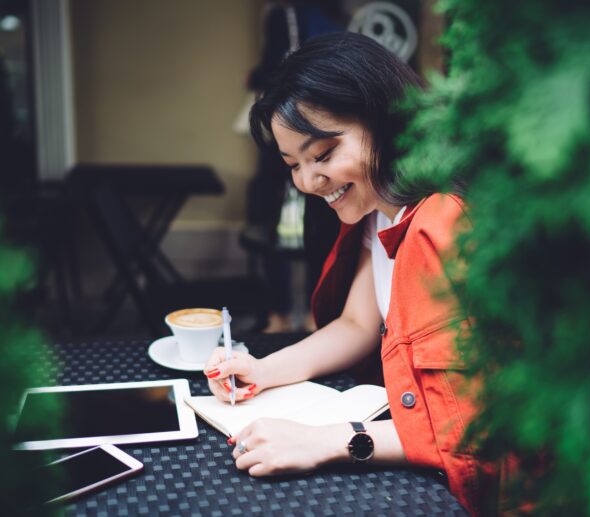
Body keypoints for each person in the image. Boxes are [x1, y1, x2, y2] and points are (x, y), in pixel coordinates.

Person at [206, 32, 494, 516]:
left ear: (386, 121)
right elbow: (358, 325)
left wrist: (327, 441)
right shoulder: (382, 211)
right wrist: (261, 371)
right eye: (293, 164)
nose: (308, 181)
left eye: (322, 155)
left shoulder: (440, 222)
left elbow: (468, 426)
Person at [243, 0, 344, 333]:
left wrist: (256, 76)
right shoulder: (336, 16)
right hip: (318, 132)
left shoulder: (284, 15)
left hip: (291, 129)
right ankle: (319, 314)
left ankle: (281, 314)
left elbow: (283, 72)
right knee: (321, 223)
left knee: (277, 225)